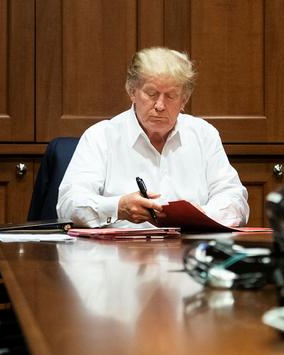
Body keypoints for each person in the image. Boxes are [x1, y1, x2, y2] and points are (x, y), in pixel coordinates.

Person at [57, 47, 249, 228]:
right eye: (151, 93)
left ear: (184, 100)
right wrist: (118, 207)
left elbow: (235, 199)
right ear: (132, 92)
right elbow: (68, 204)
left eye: (171, 96)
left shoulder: (203, 135)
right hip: (119, 257)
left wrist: (202, 214)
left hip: (187, 253)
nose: (159, 105)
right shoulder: (101, 137)